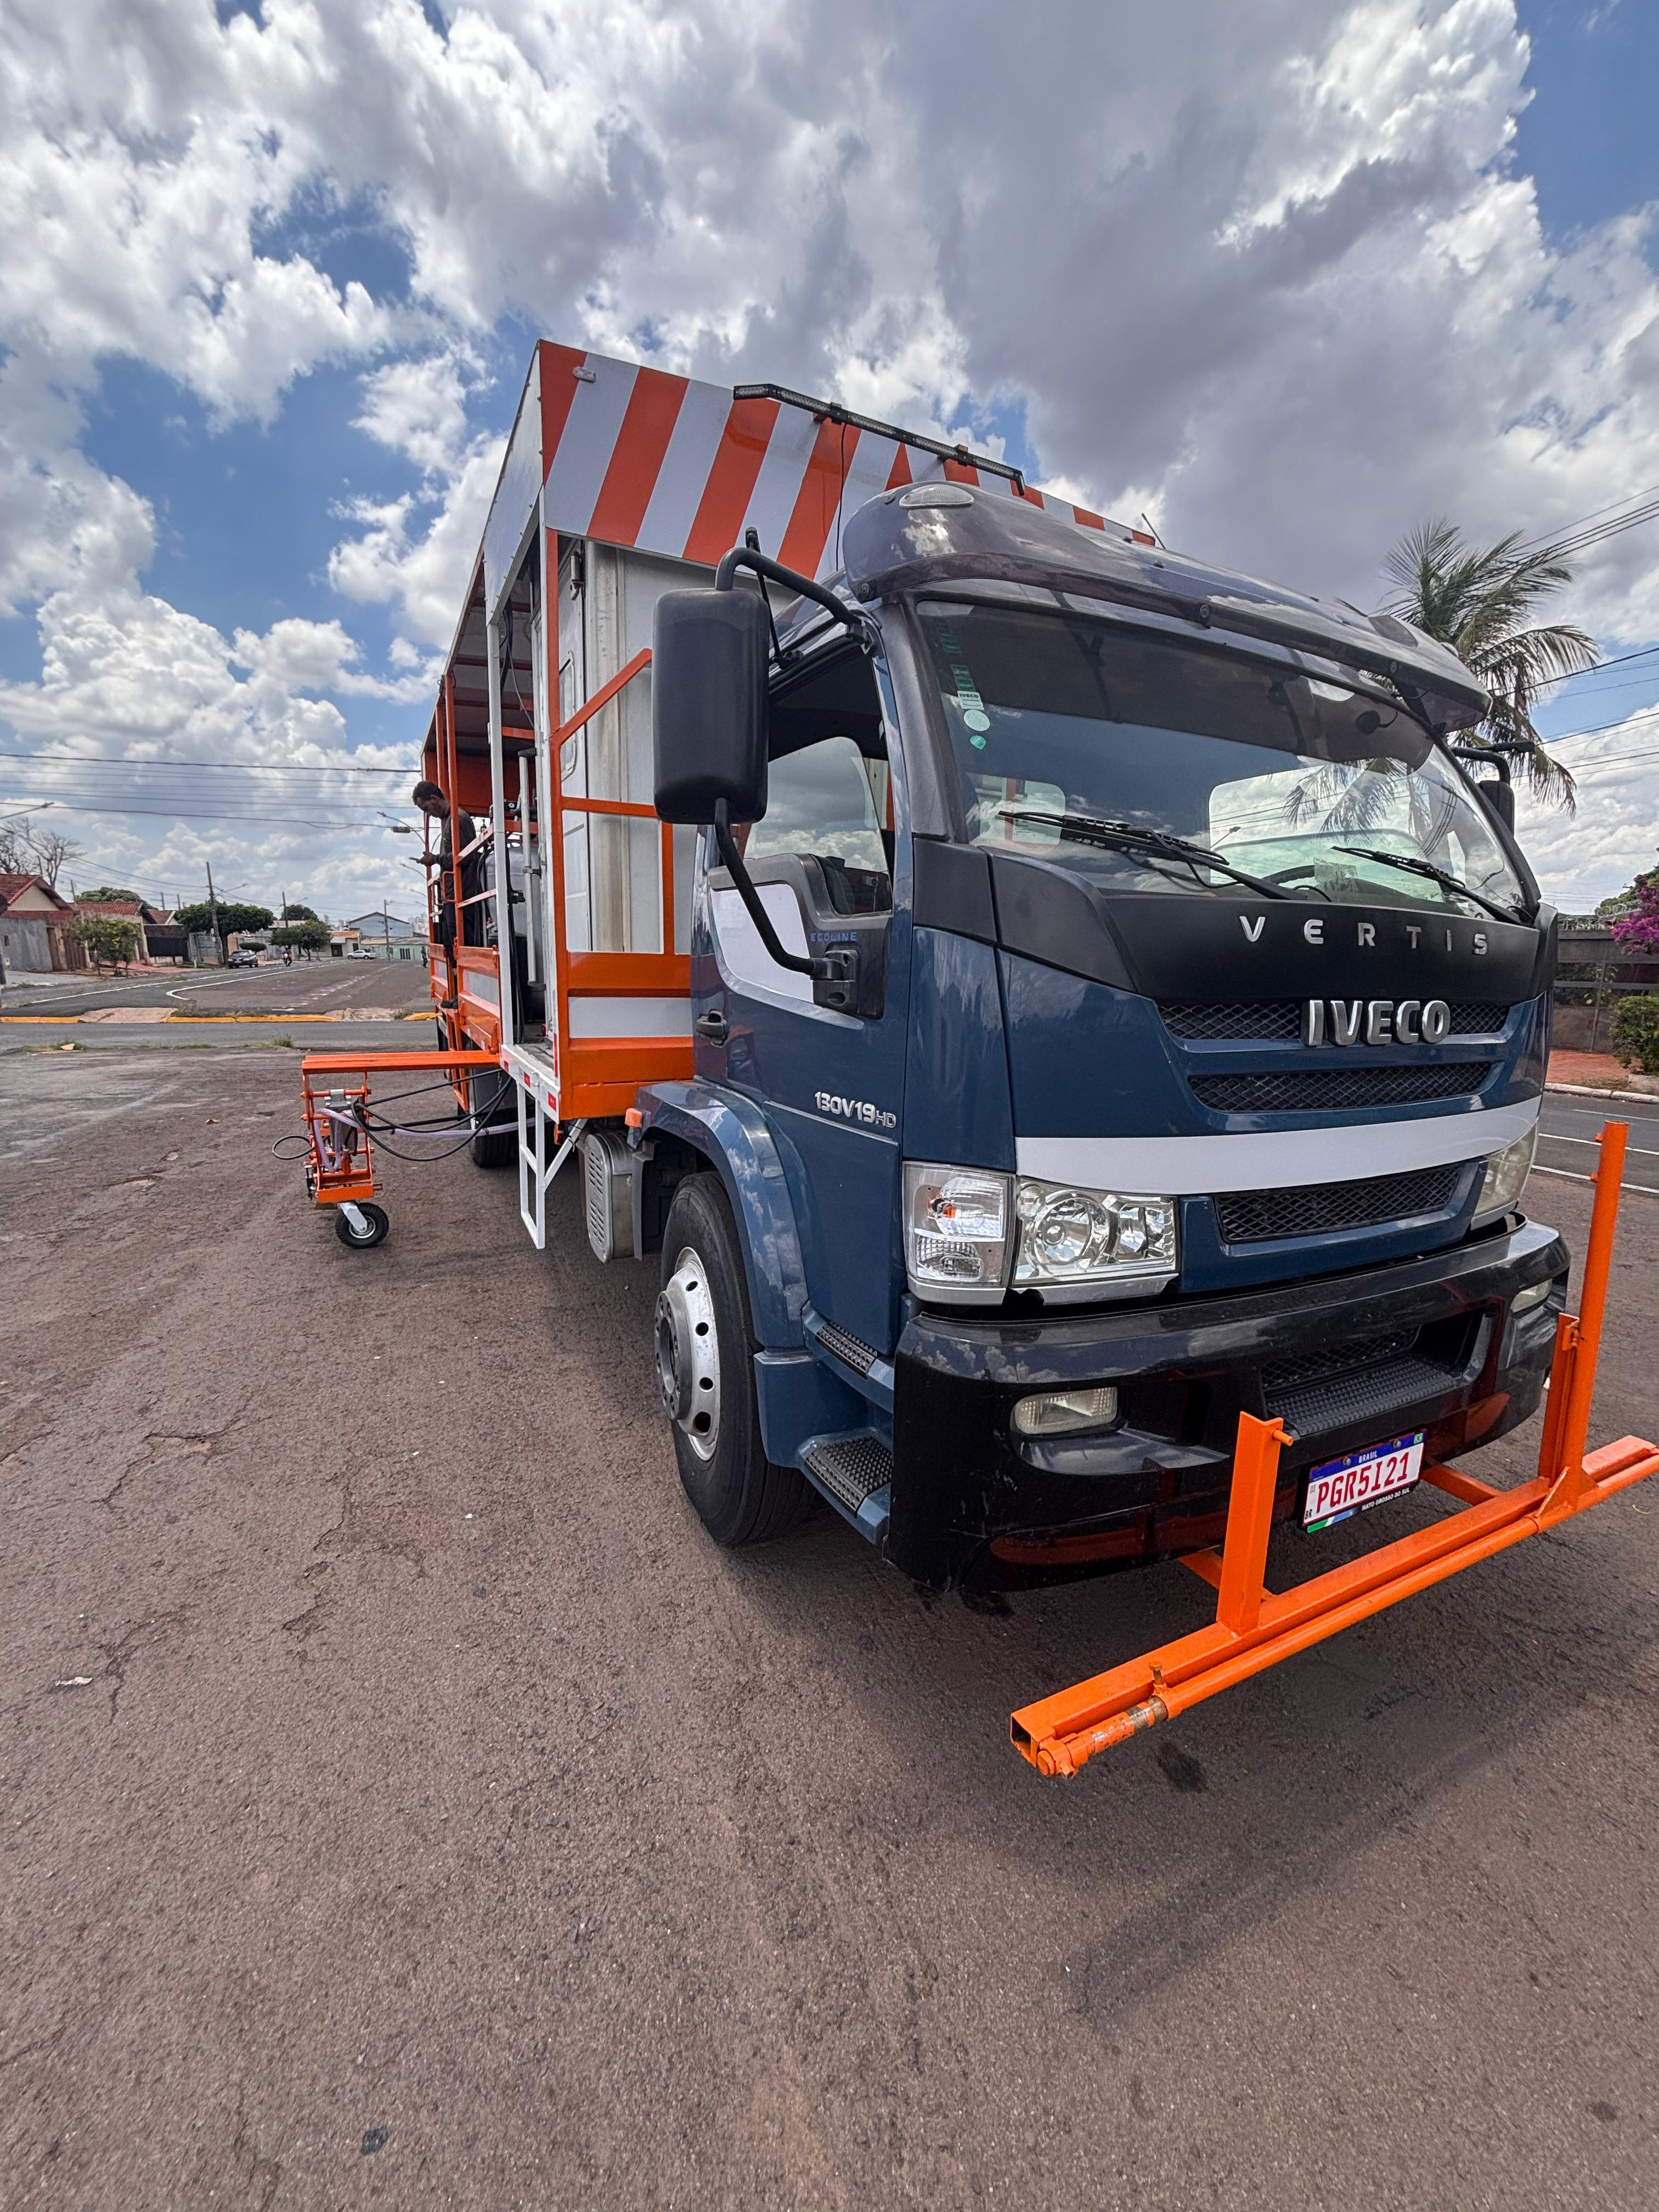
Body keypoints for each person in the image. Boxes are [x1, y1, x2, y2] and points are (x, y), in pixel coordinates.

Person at [412, 780, 484, 953]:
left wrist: (435, 859)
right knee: (450, 947)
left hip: (463, 896)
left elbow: (465, 857)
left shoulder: (458, 819)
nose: (428, 814)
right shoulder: (450, 820)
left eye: (426, 809)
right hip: (453, 897)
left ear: (434, 799)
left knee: (460, 949)